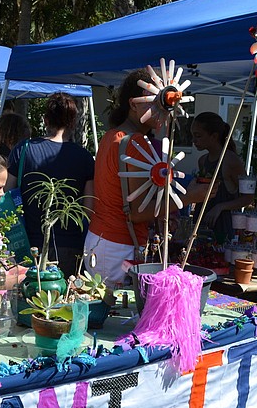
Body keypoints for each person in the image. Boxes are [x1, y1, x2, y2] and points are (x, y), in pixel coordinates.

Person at [83, 69, 213, 289]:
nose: (164, 110)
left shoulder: (112, 136)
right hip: (118, 246)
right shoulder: (134, 143)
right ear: (134, 104)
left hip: (100, 240)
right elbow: (136, 212)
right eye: (156, 103)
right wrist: (189, 197)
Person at [6, 92, 94, 277]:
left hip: (28, 245)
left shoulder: (23, 149)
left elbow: (6, 193)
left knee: (31, 301)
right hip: (73, 246)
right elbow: (89, 209)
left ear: (45, 120)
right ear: (73, 122)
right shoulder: (84, 157)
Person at [191, 112, 254, 242]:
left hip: (223, 229)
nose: (194, 141)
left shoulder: (231, 161)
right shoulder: (202, 161)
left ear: (214, 136)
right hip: (201, 225)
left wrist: (220, 207)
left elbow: (248, 197)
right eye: (193, 136)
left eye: (198, 136)